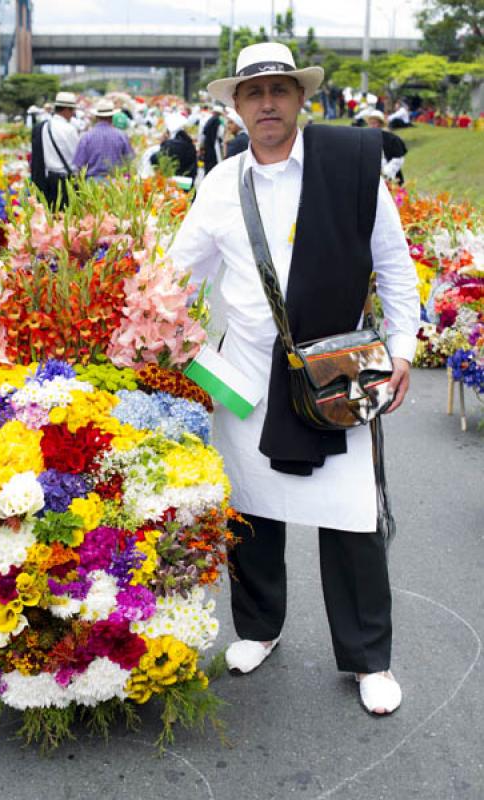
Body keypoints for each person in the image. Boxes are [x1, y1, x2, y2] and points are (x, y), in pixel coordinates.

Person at [170, 42, 419, 716]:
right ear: (237, 107)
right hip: (247, 372)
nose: (269, 102)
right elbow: (176, 275)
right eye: (255, 93)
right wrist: (151, 327)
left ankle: (369, 658)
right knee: (249, 510)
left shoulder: (350, 165)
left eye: (280, 89)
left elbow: (394, 264)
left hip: (339, 367)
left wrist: (401, 347)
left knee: (352, 519)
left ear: (301, 98)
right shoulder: (221, 183)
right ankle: (258, 627)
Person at [74, 99, 134, 181]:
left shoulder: (86, 136)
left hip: (92, 182)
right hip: (116, 182)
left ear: (96, 117)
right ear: (112, 117)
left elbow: (79, 164)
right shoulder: (121, 135)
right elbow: (129, 159)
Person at [150, 114, 197, 183]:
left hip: (175, 182)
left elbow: (154, 158)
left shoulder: (171, 144)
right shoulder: (189, 142)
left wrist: (162, 143)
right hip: (188, 181)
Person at [366, 109, 407, 185]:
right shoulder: (366, 139)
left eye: (374, 123)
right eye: (370, 123)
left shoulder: (392, 139)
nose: (372, 126)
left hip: (390, 176)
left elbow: (399, 159)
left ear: (380, 124)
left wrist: (385, 172)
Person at [201, 105, 224, 174]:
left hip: (207, 145)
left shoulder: (208, 120)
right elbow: (220, 134)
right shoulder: (219, 121)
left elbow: (203, 133)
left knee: (207, 165)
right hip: (215, 146)